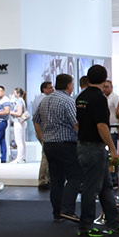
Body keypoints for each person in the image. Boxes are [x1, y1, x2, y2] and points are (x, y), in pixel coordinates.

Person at [75, 65, 119, 237]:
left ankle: (114, 222)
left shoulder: (81, 97)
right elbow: (101, 125)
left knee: (105, 187)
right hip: (94, 147)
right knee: (91, 188)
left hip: (84, 145)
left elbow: (78, 123)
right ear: (104, 79)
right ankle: (86, 226)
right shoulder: (99, 98)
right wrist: (112, 148)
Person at [32, 73, 80, 222]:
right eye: (72, 84)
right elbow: (76, 123)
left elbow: (36, 120)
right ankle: (68, 209)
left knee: (56, 180)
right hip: (66, 144)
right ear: (68, 85)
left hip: (49, 144)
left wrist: (42, 137)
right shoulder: (68, 101)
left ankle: (57, 213)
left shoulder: (45, 100)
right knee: (75, 176)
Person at [32, 81, 54, 188]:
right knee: (46, 155)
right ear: (44, 89)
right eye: (50, 88)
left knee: (47, 154)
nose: (52, 90)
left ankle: (46, 178)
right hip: (44, 130)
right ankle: (44, 179)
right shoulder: (45, 100)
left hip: (41, 130)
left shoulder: (38, 99)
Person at [9, 86, 29, 163]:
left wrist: (10, 112)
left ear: (18, 94)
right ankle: (23, 157)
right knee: (22, 141)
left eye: (14, 92)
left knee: (19, 141)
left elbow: (19, 113)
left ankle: (19, 158)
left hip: (18, 122)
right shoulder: (22, 100)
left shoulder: (19, 101)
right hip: (22, 122)